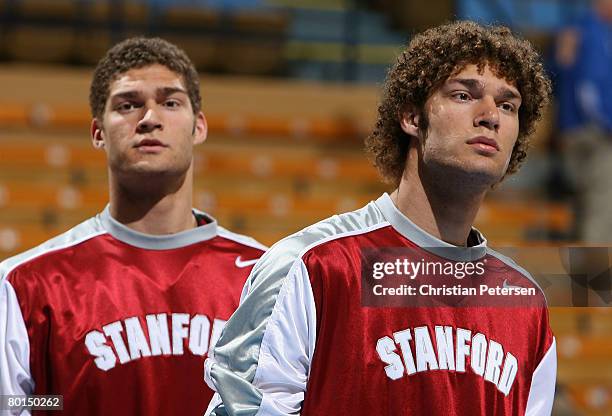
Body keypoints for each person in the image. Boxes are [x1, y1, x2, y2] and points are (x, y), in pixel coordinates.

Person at [203, 21, 556, 415]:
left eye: (508, 105)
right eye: (463, 94)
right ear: (411, 117)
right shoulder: (313, 265)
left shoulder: (525, 304)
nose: (491, 116)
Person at [0, 37, 266, 415]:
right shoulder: (25, 283)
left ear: (199, 127)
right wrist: (60, 403)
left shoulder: (266, 275)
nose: (149, 118)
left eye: (170, 102)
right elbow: (13, 403)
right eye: (128, 105)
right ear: (97, 132)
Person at [554, 0, 612, 242]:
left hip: (578, 129)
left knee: (585, 204)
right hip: (593, 133)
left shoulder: (580, 29)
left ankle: (582, 273)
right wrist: (607, 124)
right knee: (601, 202)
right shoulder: (588, 30)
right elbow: (587, 89)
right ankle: (596, 275)